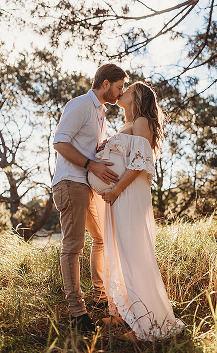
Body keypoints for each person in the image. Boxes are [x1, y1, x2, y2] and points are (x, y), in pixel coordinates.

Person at [92, 82, 185, 341]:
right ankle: (124, 313)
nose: (121, 92)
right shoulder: (127, 124)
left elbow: (140, 161)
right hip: (119, 194)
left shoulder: (142, 120)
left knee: (134, 253)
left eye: (127, 89)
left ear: (139, 96)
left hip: (128, 193)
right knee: (122, 252)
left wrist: (116, 189)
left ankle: (149, 325)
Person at [52, 63, 126, 332]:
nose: (121, 93)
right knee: (73, 247)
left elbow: (87, 147)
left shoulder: (101, 113)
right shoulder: (81, 104)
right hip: (70, 182)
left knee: (102, 238)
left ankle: (99, 296)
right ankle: (77, 314)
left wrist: (101, 151)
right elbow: (60, 143)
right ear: (105, 84)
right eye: (119, 87)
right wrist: (90, 164)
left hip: (87, 185)